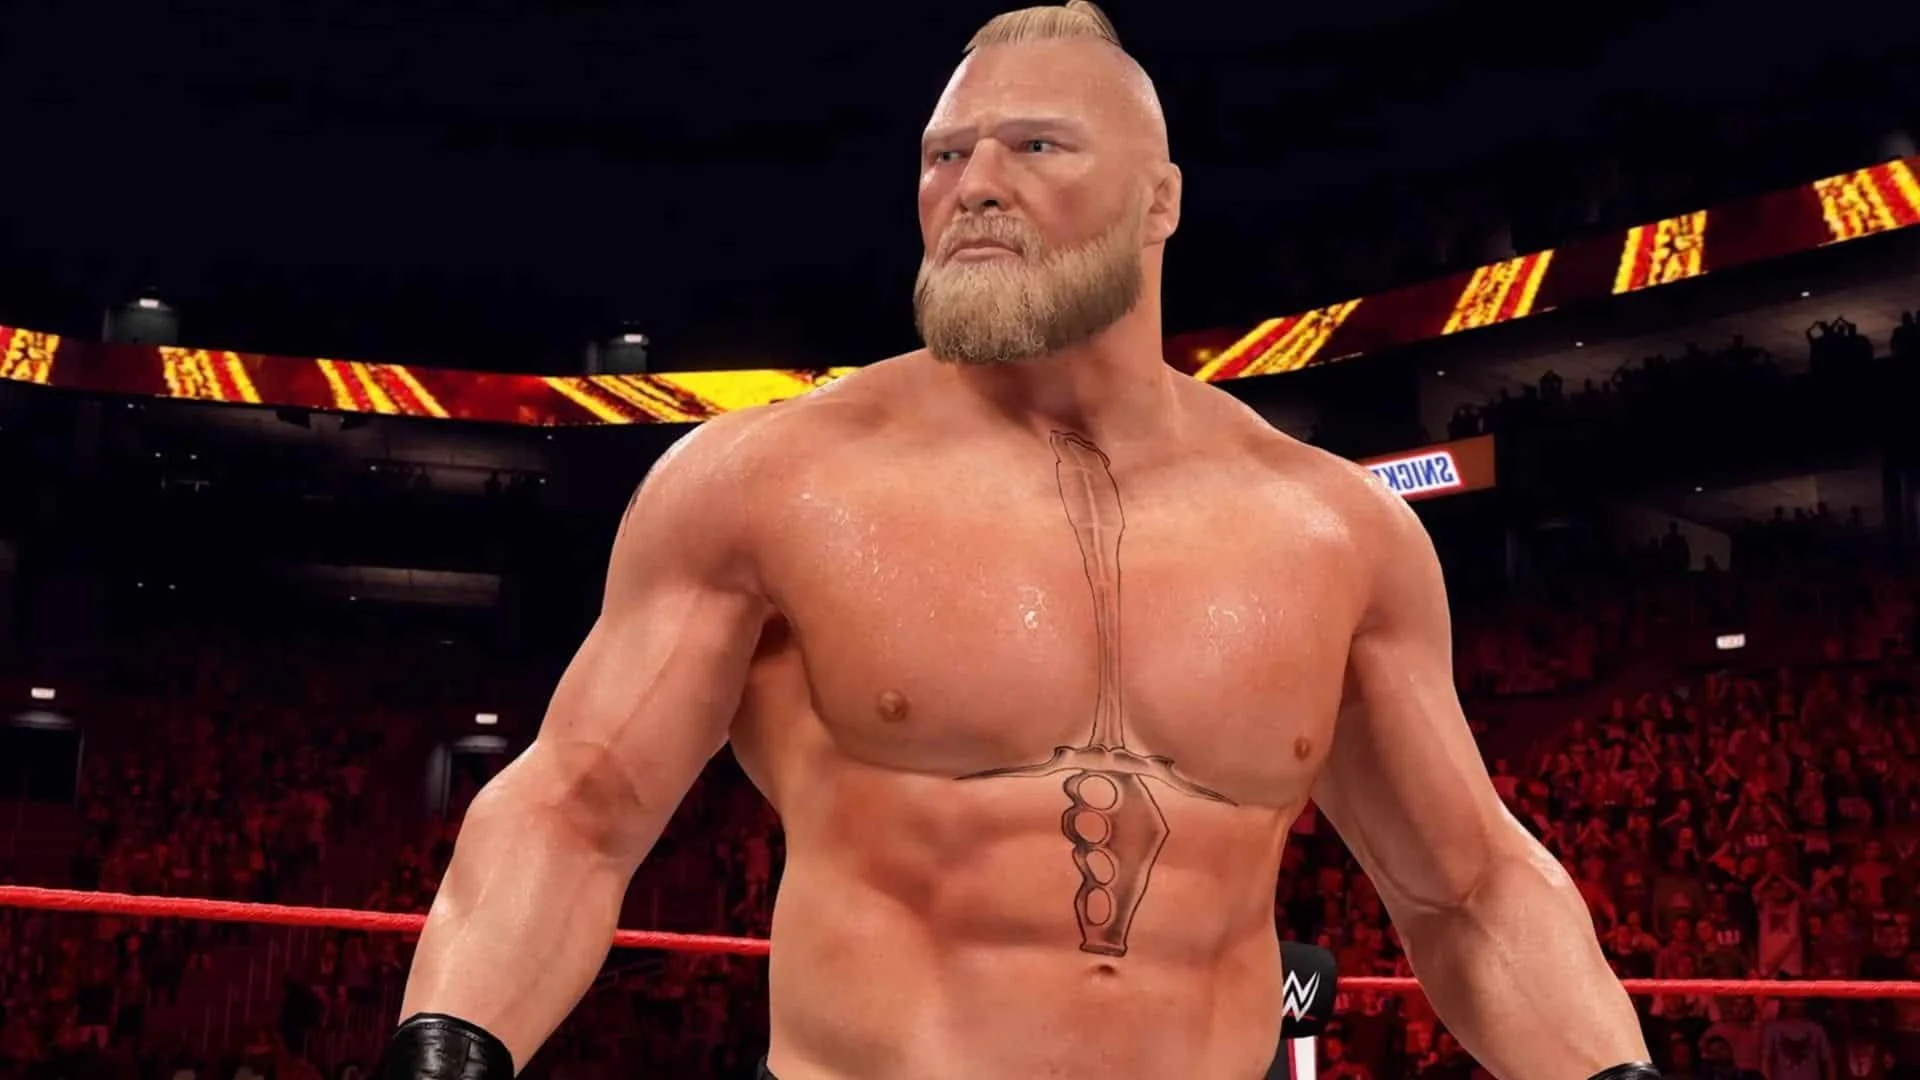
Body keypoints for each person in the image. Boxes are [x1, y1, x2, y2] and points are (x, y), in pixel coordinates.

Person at [376, 4, 1653, 1079]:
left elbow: (1469, 889)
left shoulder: (1337, 530)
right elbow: (576, 812)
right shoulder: (770, 481)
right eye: (945, 155)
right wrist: (449, 1048)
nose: (975, 185)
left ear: (1160, 200)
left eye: (1036, 144)